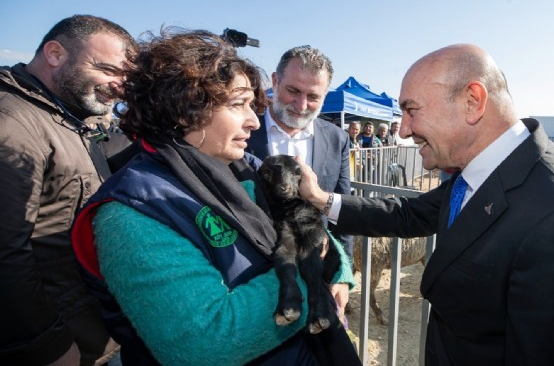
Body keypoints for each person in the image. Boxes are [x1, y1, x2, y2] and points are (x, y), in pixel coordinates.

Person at [297, 44, 554, 365]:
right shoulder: (483, 172)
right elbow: (408, 214)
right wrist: (321, 200)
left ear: (472, 102)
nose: (403, 131)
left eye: (412, 110)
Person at [71, 29, 359, 366]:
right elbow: (204, 344)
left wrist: (338, 271)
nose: (254, 121)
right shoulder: (130, 215)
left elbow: (310, 226)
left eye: (253, 105)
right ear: (185, 108)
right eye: (239, 105)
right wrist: (312, 273)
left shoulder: (245, 168)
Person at [0, 15, 136, 366]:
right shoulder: (12, 123)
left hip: (88, 330)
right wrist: (46, 345)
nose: (119, 85)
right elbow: (6, 253)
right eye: (108, 70)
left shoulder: (68, 115)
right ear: (56, 53)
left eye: (125, 77)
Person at [246, 45, 354, 317]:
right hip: (252, 277)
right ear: (274, 81)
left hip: (317, 271)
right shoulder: (242, 131)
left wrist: (343, 272)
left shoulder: (337, 138)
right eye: (293, 91)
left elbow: (341, 208)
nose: (302, 105)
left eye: (313, 96)